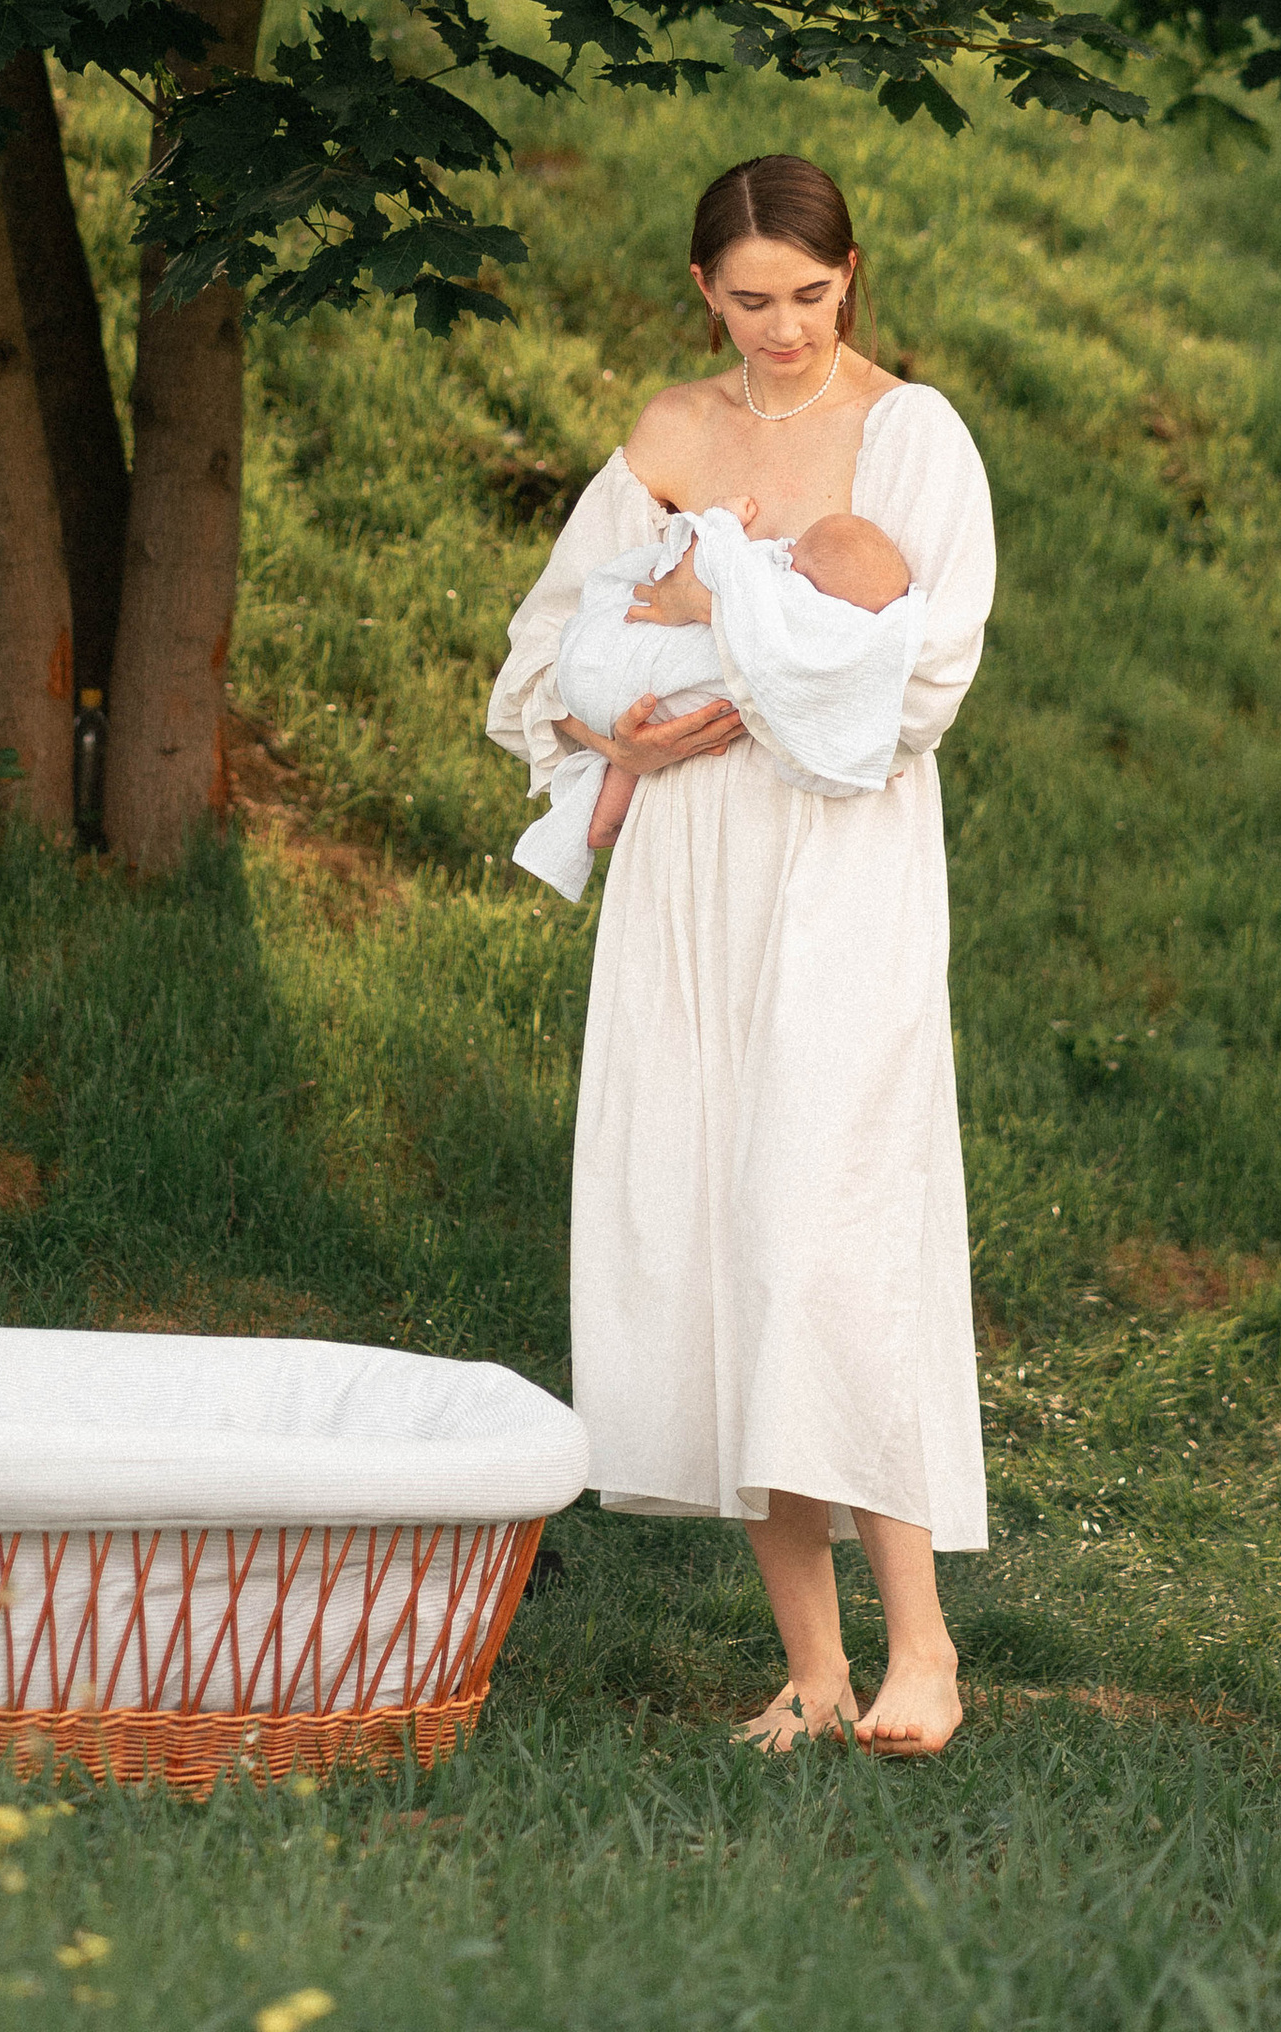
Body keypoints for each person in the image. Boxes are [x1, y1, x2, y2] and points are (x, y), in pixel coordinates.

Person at [486, 151, 996, 1755]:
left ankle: (920, 1648)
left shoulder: (914, 438)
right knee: (720, 1235)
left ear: (854, 277)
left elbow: (917, 685)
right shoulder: (666, 440)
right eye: (752, 297)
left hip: (833, 869)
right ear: (704, 290)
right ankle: (814, 1669)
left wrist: (735, 692)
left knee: (828, 1232)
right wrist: (620, 718)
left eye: (814, 294)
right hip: (687, 871)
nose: (785, 326)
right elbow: (544, 660)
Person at [512, 500, 915, 884]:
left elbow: (709, 543)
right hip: (635, 676)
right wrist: (866, 765)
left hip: (599, 655)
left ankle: (603, 810)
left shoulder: (752, 566)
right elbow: (802, 754)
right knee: (678, 715)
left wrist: (724, 514)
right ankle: (603, 816)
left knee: (656, 727)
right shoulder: (790, 640)